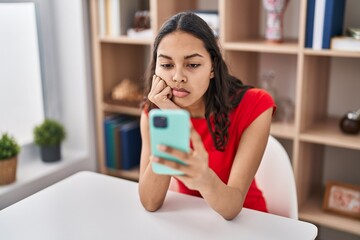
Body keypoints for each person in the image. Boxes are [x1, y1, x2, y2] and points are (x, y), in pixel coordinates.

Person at [138, 12, 276, 220]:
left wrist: (203, 178)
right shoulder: (154, 112)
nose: (177, 78)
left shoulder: (255, 106)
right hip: (195, 221)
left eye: (192, 65)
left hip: (248, 220)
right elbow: (150, 202)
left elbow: (232, 208)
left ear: (212, 67)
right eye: (167, 65)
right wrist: (170, 116)